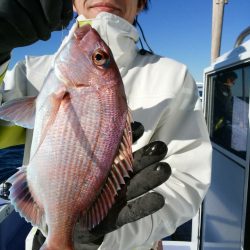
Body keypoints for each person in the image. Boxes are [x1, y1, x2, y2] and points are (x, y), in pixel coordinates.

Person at [0, 0, 212, 250]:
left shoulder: (173, 76)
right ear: (72, 2)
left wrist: (108, 237)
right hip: (42, 236)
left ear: (141, 4)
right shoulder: (29, 71)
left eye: (99, 58)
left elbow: (186, 182)